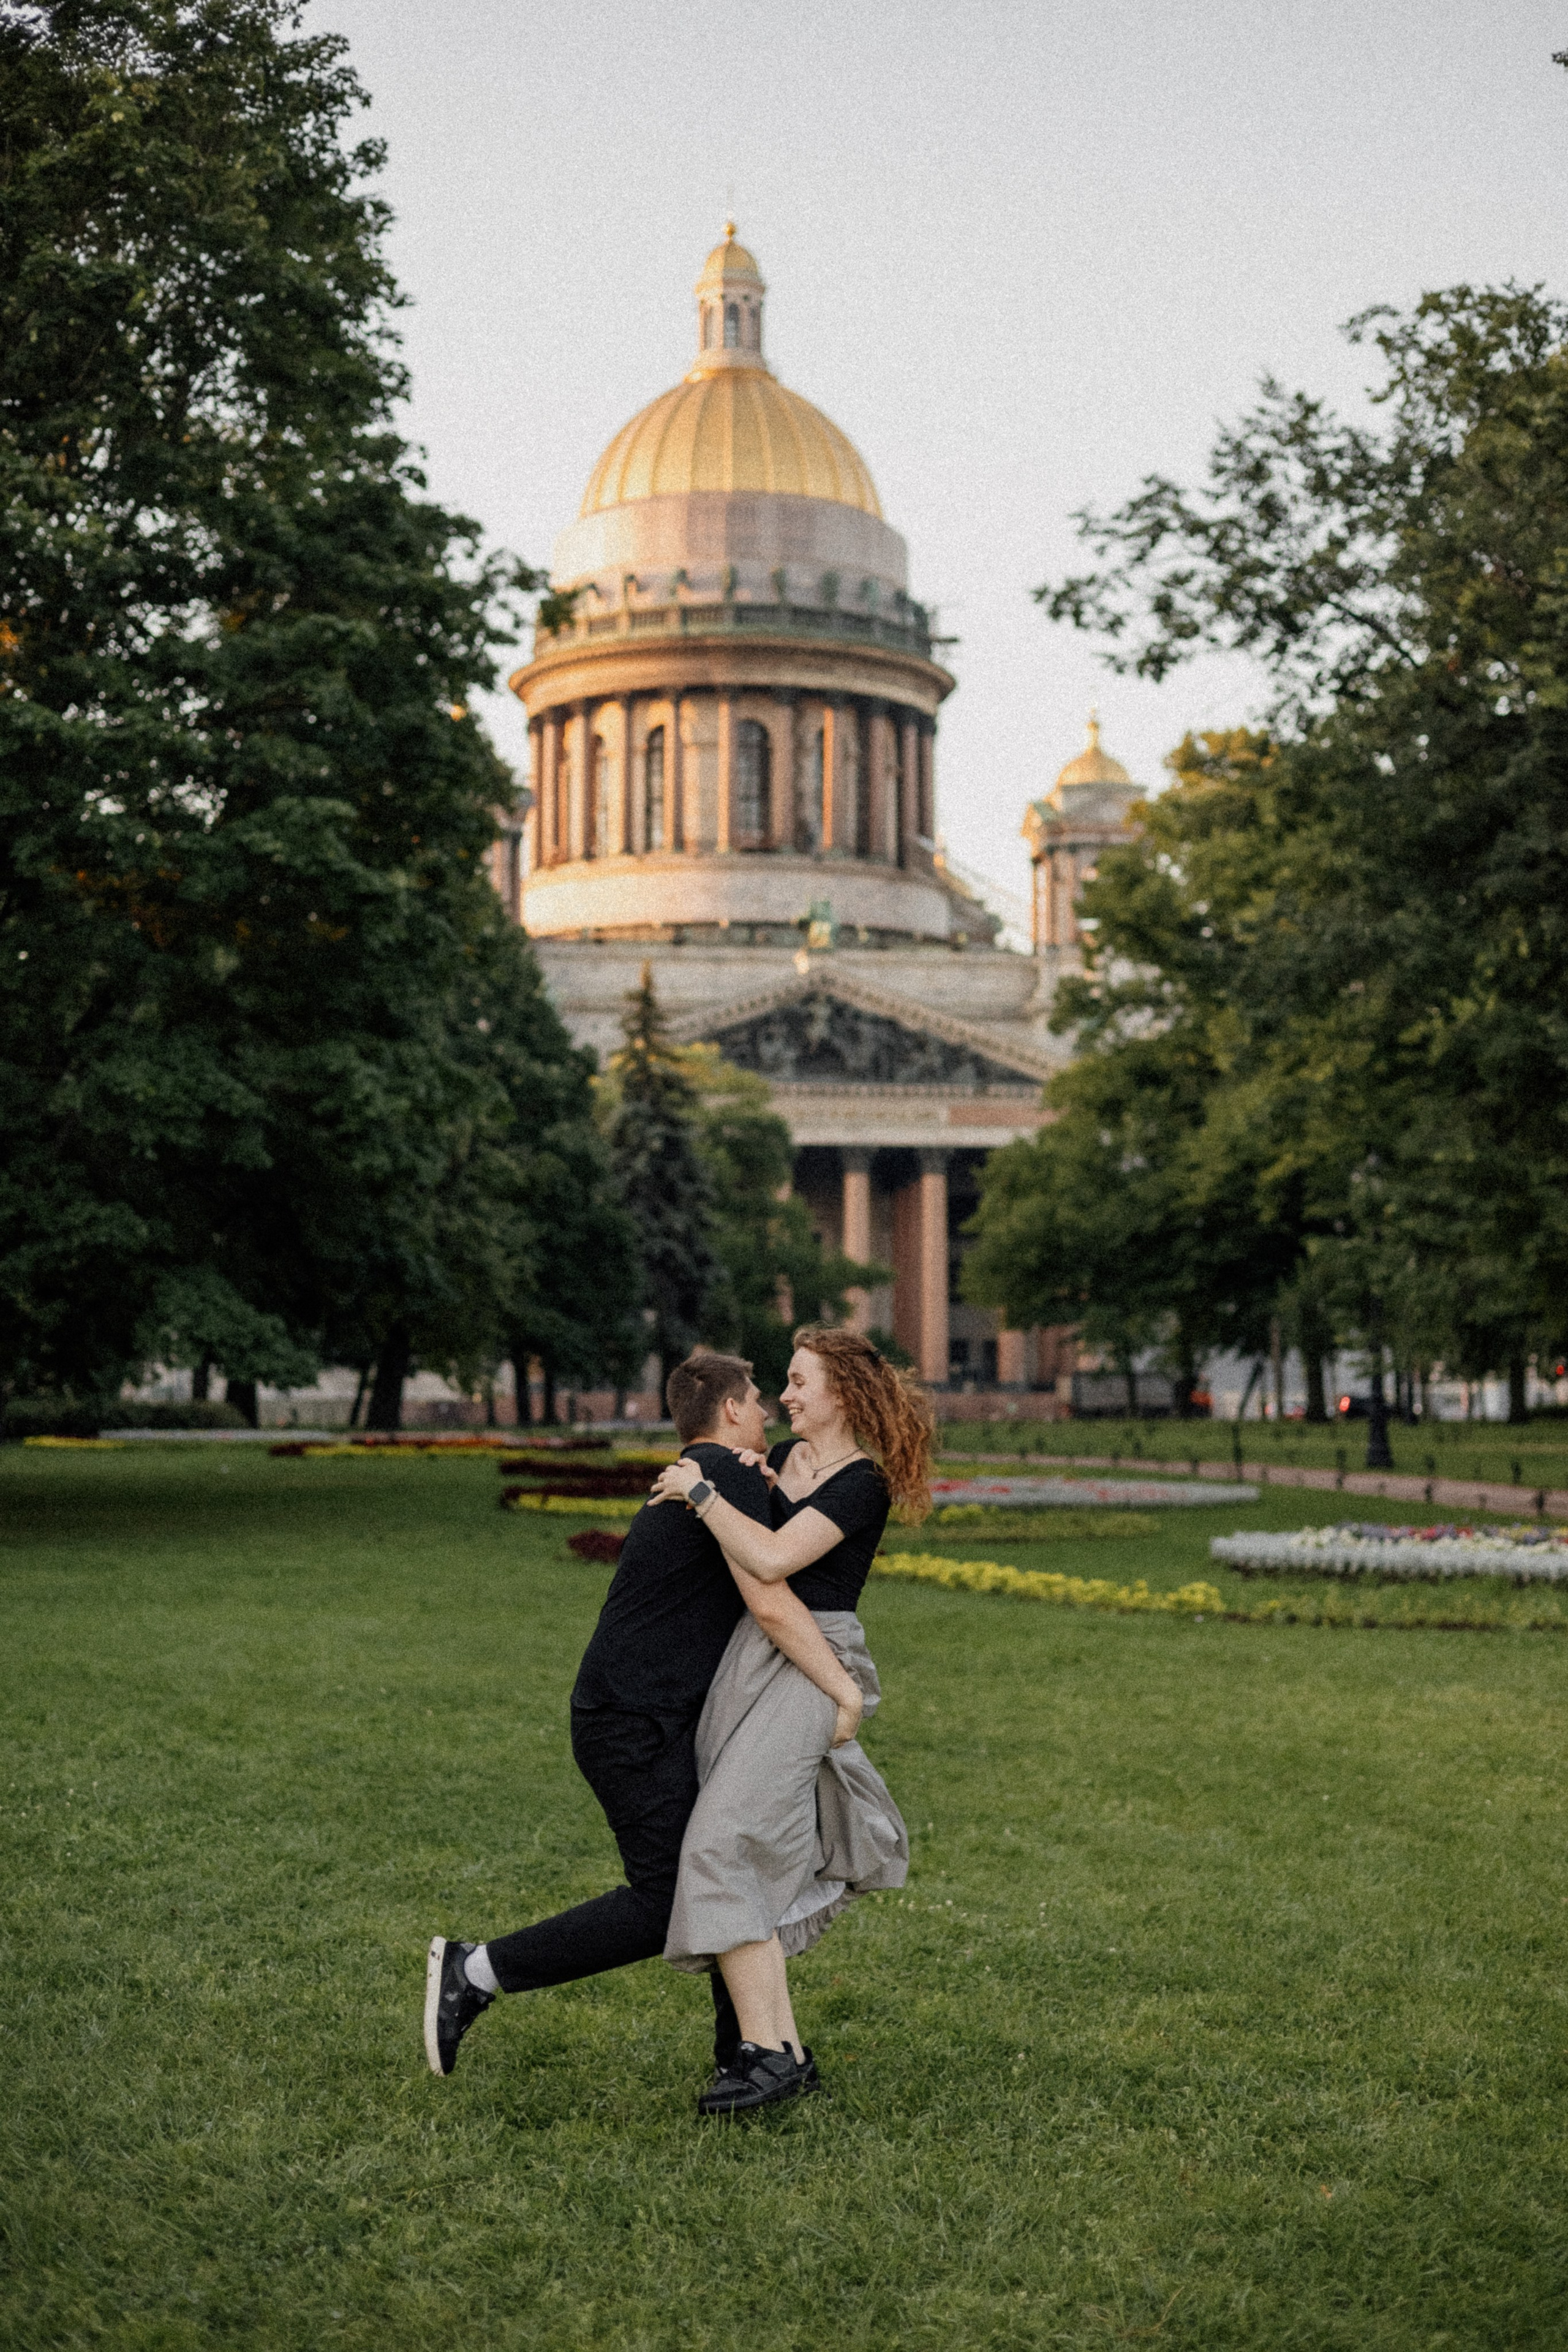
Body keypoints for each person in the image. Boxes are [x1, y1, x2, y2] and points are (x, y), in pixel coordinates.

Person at [423, 1350, 866, 2088]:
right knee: (672, 1899)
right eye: (758, 1397)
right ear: (731, 1410)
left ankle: (758, 2056)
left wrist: (759, 1486)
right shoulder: (719, 1474)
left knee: (723, 1872)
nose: (767, 1410)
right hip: (633, 1722)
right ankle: (475, 1972)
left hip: (642, 1714)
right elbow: (768, 1595)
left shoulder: (717, 1475)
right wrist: (845, 1691)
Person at [649, 1326, 935, 2115]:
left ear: (843, 1390)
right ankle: (780, 2055)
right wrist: (746, 1484)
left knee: (720, 1842)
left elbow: (773, 1559)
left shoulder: (862, 1483)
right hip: (752, 1654)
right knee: (737, 1843)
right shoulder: (778, 1462)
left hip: (814, 1661)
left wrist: (703, 1495)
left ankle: (769, 2056)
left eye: (801, 1381)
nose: (784, 1396)